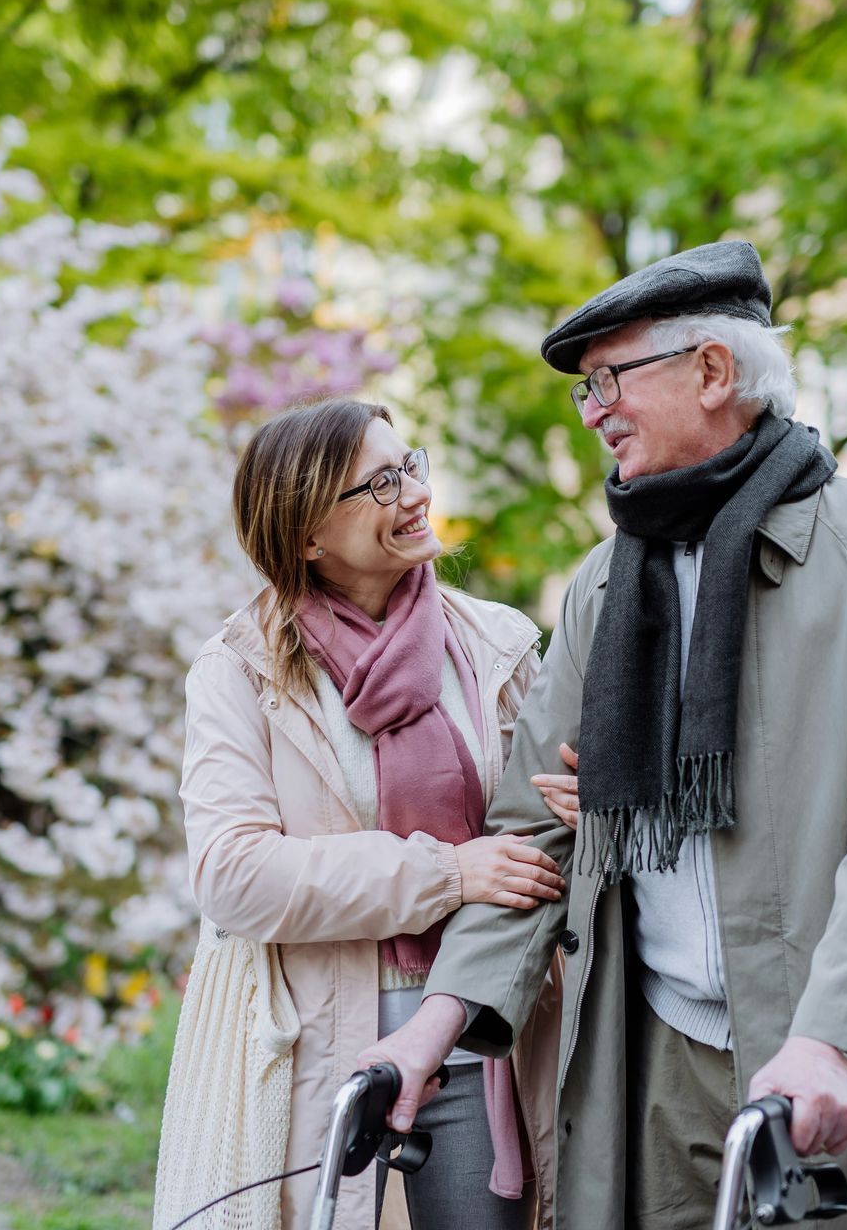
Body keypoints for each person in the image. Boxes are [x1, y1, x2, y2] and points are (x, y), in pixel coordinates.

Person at [359, 241, 847, 1229]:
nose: (593, 410)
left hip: (832, 1058)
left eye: (610, 378)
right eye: (583, 393)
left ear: (711, 370)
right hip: (654, 1059)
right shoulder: (606, 584)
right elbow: (534, 829)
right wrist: (429, 1032)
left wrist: (827, 1040)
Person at [178, 399, 564, 1230]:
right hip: (319, 1054)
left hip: (484, 1042)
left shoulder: (497, 647)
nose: (414, 493)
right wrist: (447, 874)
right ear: (307, 534)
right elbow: (233, 875)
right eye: (380, 483)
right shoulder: (240, 671)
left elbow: (539, 839)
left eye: (410, 465)